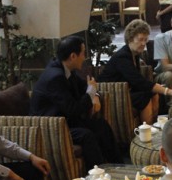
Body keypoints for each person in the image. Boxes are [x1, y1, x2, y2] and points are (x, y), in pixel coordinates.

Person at [31, 35, 120, 169]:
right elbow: (73, 109)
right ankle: (98, 174)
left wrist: (94, 95)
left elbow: (86, 86)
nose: (84, 57)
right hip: (50, 125)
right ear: (73, 56)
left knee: (101, 124)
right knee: (87, 136)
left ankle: (118, 166)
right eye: (83, 53)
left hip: (64, 119)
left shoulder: (65, 69)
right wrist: (91, 93)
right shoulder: (55, 77)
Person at [98, 19, 172, 125]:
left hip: (125, 90)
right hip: (111, 93)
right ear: (130, 38)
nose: (143, 43)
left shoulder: (134, 54)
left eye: (145, 40)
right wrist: (168, 91)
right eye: (140, 39)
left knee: (153, 93)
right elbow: (139, 82)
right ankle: (147, 129)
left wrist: (159, 89)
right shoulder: (122, 57)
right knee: (143, 98)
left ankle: (154, 125)